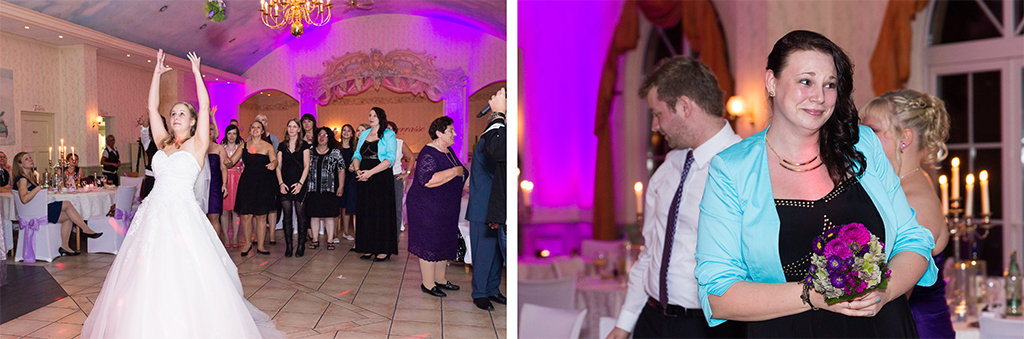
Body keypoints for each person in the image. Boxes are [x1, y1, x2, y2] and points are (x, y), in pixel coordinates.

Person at [694, 30, 937, 337]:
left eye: (830, 84)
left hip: (882, 327)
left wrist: (885, 292)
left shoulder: (864, 146)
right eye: (805, 81)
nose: (820, 97)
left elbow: (913, 240)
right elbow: (718, 295)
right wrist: (812, 295)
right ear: (772, 82)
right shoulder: (732, 169)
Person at [82, 50, 282, 338]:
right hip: (152, 215)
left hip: (182, 216)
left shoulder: (198, 145)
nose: (175, 116)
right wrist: (156, 75)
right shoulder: (163, 146)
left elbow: (205, 103)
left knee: (185, 272)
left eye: (181, 114)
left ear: (192, 121)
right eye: (173, 113)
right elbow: (152, 109)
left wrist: (197, 72)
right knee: (145, 273)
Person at [608, 56, 744, 339]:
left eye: (657, 114)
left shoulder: (746, 167)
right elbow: (650, 252)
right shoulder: (668, 167)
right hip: (651, 320)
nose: (655, 126)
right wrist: (624, 324)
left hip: (709, 328)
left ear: (684, 106)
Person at [861, 89, 953, 339]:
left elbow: (900, 291)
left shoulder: (914, 201)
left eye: (872, 130)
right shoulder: (905, 186)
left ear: (905, 138)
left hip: (916, 329)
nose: (861, 137)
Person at [407, 116, 465, 298]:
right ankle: (428, 283)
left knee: (442, 242)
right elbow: (427, 180)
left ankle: (440, 280)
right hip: (427, 208)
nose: (454, 134)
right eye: (450, 131)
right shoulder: (429, 152)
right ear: (439, 133)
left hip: (445, 208)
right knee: (429, 242)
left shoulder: (449, 151)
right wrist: (455, 171)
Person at [12, 152, 103, 257]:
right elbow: (24, 199)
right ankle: (85, 229)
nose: (30, 160)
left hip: (38, 209)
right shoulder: (22, 179)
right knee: (67, 204)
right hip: (35, 213)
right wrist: (39, 187)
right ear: (20, 164)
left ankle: (65, 246)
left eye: (30, 158)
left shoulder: (30, 178)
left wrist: (39, 187)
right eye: (26, 159)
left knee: (68, 217)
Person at [467, 88, 507, 311]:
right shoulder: (486, 142)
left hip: (495, 204)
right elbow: (495, 173)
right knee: (483, 253)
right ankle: (480, 292)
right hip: (484, 205)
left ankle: (492, 289)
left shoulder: (495, 141)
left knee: (496, 254)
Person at [351, 107, 398, 261]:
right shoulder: (364, 133)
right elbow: (357, 154)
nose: (371, 118)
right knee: (366, 213)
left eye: (374, 115)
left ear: (381, 117)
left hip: (381, 178)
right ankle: (368, 247)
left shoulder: (389, 134)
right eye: (369, 115)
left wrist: (370, 173)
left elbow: (390, 159)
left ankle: (383, 249)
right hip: (363, 177)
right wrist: (358, 170)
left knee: (381, 214)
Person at [226, 120, 278, 256]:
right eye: (253, 127)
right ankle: (247, 244)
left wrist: (273, 164)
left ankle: (261, 245)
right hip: (247, 184)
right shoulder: (243, 146)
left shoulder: (268, 146)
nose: (255, 129)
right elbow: (231, 161)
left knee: (261, 216)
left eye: (258, 127)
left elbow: (275, 160)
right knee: (246, 215)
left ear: (262, 131)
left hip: (263, 184)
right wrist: (224, 160)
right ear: (250, 130)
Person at [277, 118, 310, 257]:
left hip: (300, 183)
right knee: (287, 215)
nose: (291, 129)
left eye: (294, 126)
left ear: (298, 129)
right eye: (289, 126)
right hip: (285, 183)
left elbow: (306, 165)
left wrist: (300, 184)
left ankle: (301, 244)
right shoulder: (281, 146)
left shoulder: (304, 145)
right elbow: (278, 166)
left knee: (301, 214)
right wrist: (281, 183)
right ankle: (289, 245)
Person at [307, 127, 344, 251]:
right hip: (312, 189)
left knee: (330, 216)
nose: (321, 137)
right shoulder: (310, 152)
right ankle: (315, 240)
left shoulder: (335, 152)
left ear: (329, 138)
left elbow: (341, 170)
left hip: (329, 189)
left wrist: (341, 186)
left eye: (325, 135)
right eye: (319, 135)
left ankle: (330, 241)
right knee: (314, 216)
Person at [251, 114, 280, 245]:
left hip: (269, 175)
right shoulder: (249, 139)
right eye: (258, 121)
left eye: (263, 121)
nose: (260, 123)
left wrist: (273, 164)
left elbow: (276, 157)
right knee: (256, 206)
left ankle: (272, 235)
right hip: (254, 177)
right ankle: (257, 235)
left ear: (266, 125)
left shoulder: (273, 138)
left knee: (270, 206)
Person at [387, 121, 416, 234]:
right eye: (385, 129)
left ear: (395, 131)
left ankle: (396, 232)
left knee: (397, 206)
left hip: (396, 177)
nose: (388, 131)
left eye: (390, 129)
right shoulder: (379, 144)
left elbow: (412, 157)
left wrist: (407, 173)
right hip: (382, 178)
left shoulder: (399, 143)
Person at [204, 113, 229, 239]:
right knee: (202, 217)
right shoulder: (198, 148)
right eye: (207, 129)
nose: (209, 131)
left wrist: (224, 184)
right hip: (200, 185)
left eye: (212, 129)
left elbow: (223, 168)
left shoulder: (219, 148)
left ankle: (215, 247)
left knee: (214, 216)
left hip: (214, 185)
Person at [221, 123, 243, 247]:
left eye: (234, 133)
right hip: (225, 179)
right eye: (229, 133)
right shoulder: (222, 147)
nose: (231, 136)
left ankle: (235, 237)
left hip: (237, 179)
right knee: (224, 211)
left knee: (236, 211)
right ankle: (226, 238)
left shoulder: (240, 148)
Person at [139, 114, 167, 200]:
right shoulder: (148, 142)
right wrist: (150, 113)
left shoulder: (169, 143)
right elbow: (144, 129)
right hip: (151, 180)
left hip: (165, 181)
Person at [338, 124, 357, 241]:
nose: (345, 132)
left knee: (346, 206)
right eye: (344, 130)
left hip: (350, 179)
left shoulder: (354, 149)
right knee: (336, 206)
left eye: (348, 131)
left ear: (351, 134)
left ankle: (345, 231)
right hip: (337, 178)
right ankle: (335, 234)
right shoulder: (336, 148)